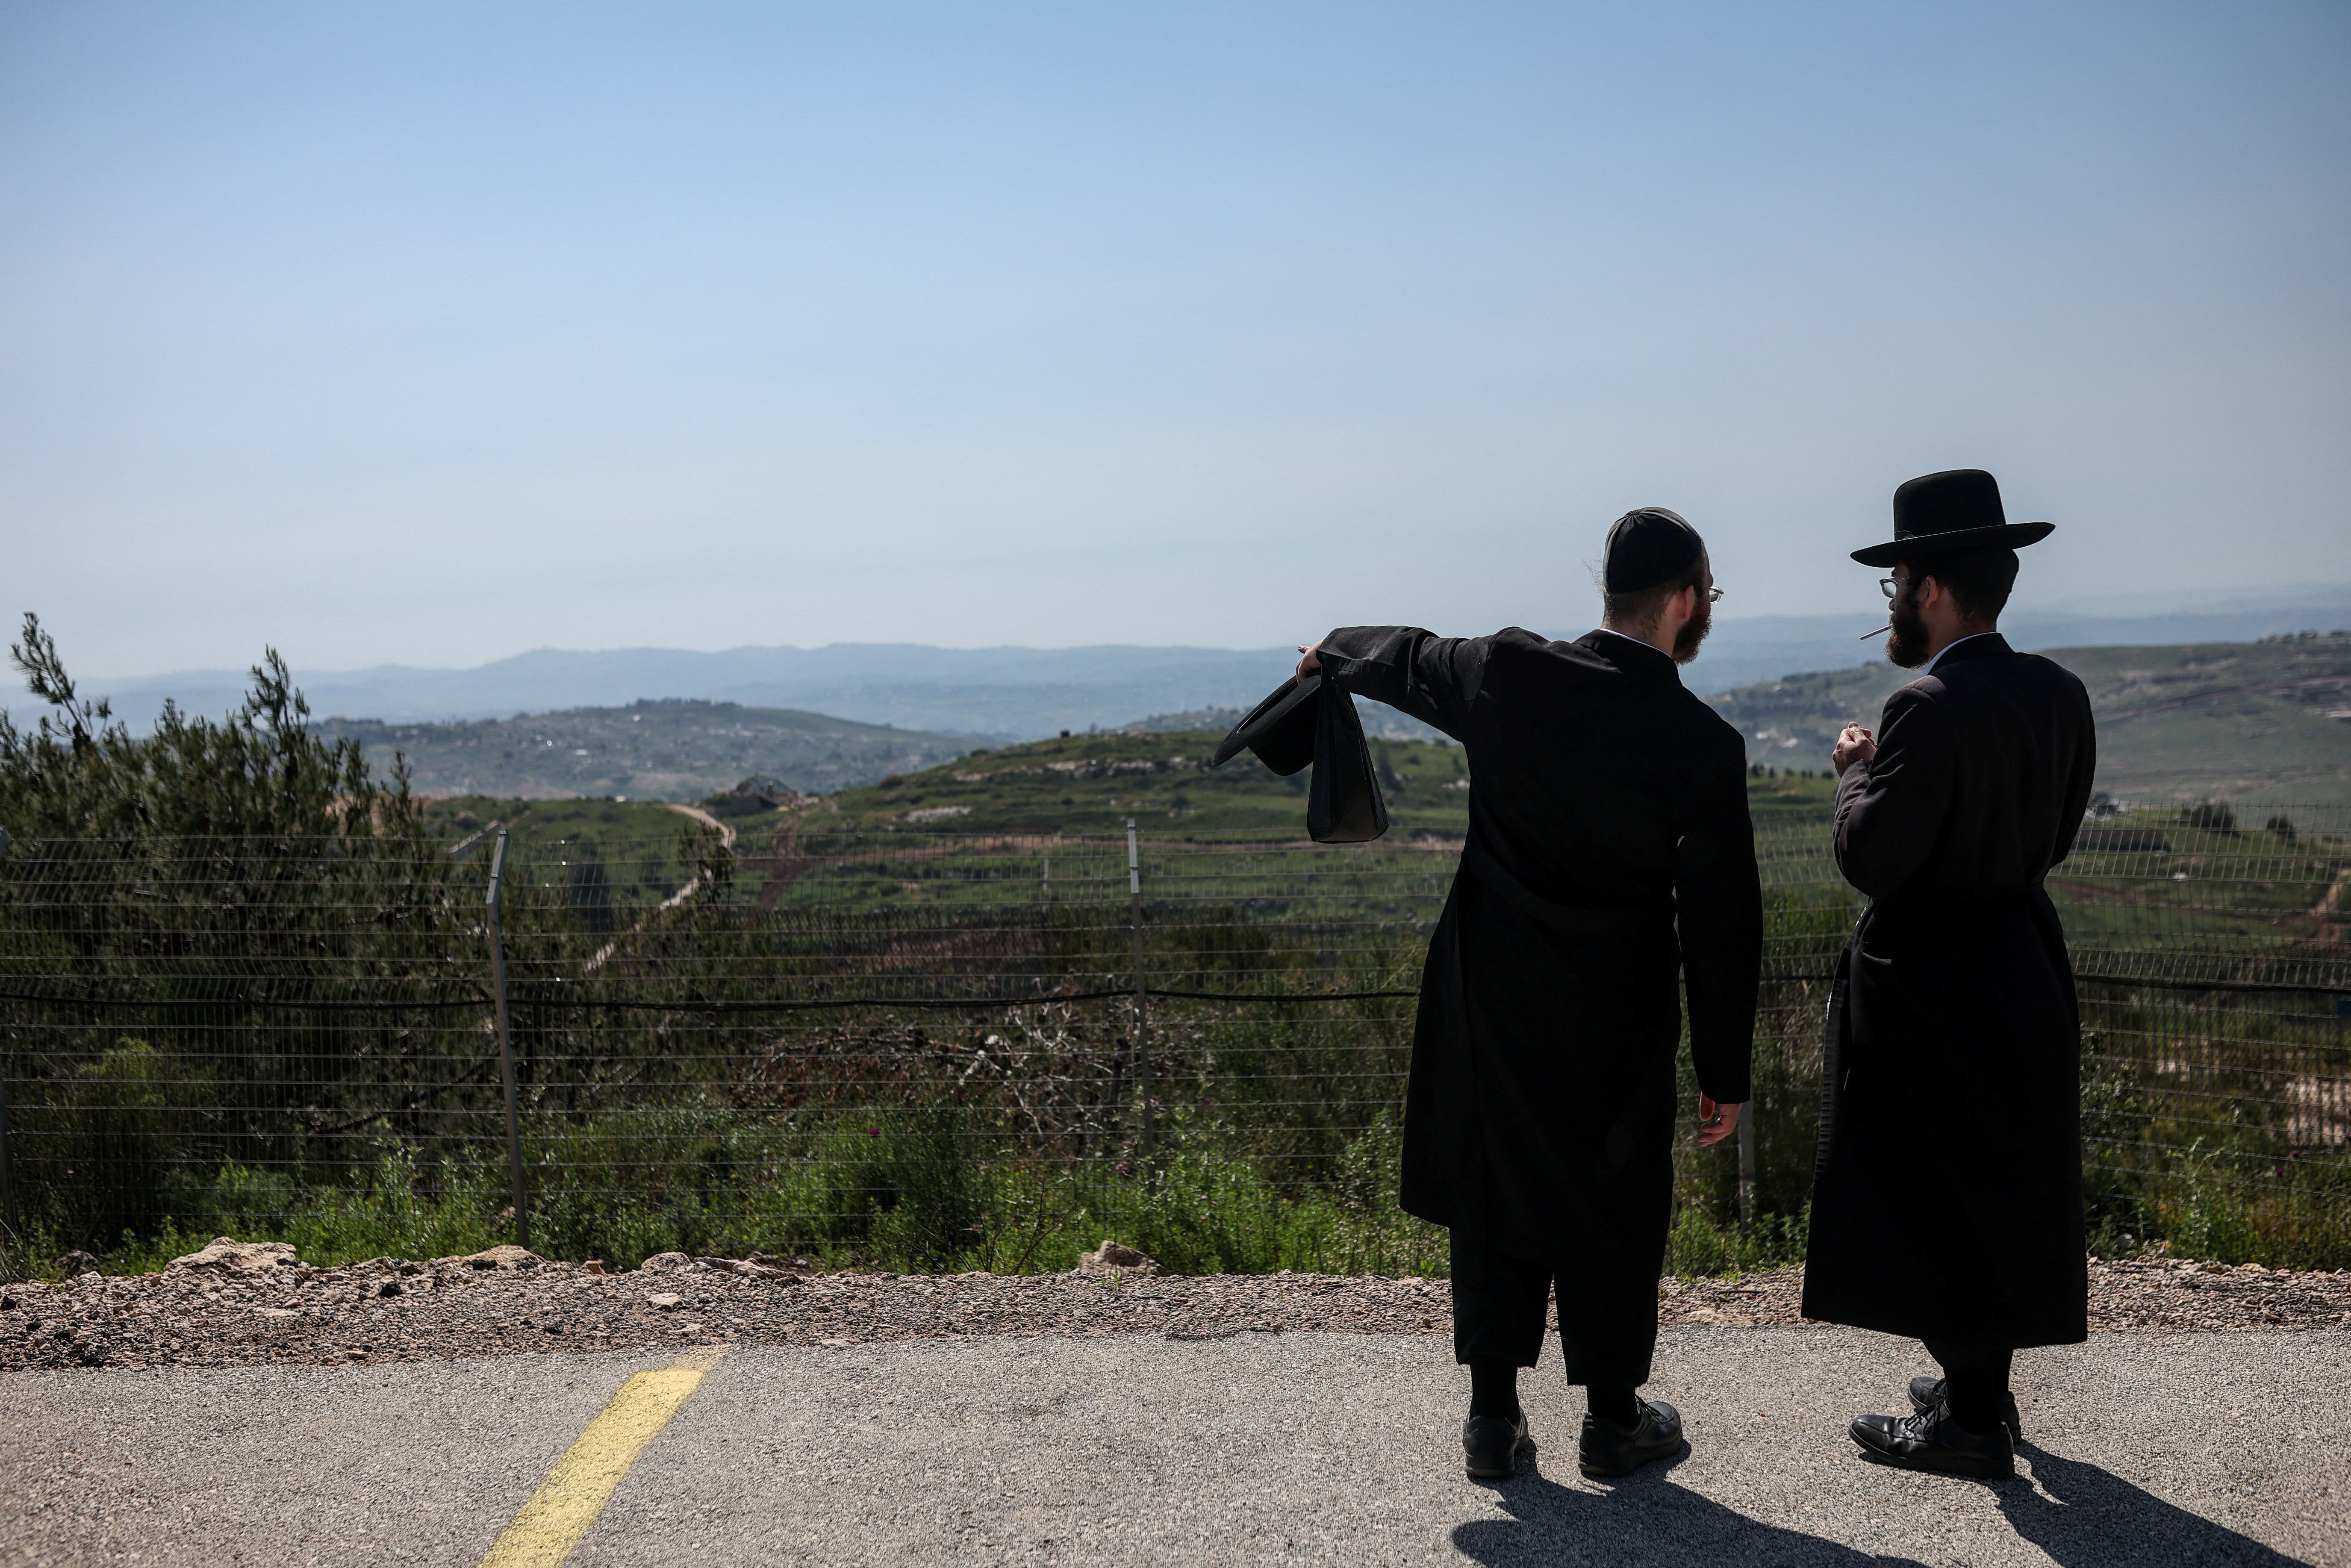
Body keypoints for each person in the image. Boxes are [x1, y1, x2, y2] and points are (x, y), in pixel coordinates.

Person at [1294, 507, 1762, 1482]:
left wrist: (1332, 651)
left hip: (1493, 991)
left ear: (1609, 592)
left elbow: (1410, 656)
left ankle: (1491, 1418)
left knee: (1493, 1182)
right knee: (1615, 1193)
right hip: (1618, 1006)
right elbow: (1723, 920)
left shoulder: (1509, 670)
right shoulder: (1701, 741)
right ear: (1686, 601)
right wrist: (1724, 1071)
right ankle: (1613, 1419)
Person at [1803, 468, 2097, 1480]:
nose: (1892, 601)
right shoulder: (2059, 694)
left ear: (1927, 589)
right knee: (1994, 1182)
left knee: (1932, 1189)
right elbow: (2054, 832)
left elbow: (1870, 856)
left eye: (1896, 584)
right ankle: (1978, 1387)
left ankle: (1969, 1424)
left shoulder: (1922, 705)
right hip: (2022, 958)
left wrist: (1852, 773)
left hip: (1931, 980)